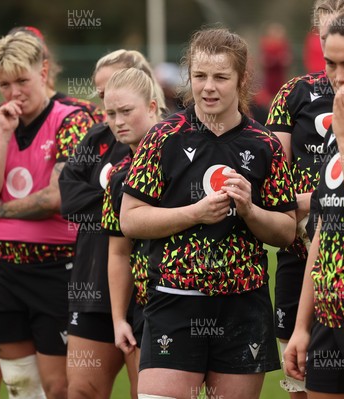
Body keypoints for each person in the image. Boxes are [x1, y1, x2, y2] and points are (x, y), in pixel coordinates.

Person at [119, 28, 297, 399]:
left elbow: (286, 232)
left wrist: (250, 210)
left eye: (220, 77)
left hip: (243, 307)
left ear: (242, 79)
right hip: (173, 300)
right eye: (199, 76)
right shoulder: (163, 137)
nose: (208, 88)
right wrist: (195, 213)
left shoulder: (263, 144)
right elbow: (131, 219)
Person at [0, 32, 93, 398]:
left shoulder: (73, 120)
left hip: (55, 267)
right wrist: (3, 135)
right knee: (19, 384)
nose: (14, 92)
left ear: (44, 71)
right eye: (4, 84)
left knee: (58, 387)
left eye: (22, 80)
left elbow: (56, 197)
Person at [265, 1, 344, 396]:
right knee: (300, 386)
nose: (337, 76)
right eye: (329, 57)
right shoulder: (305, 101)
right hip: (316, 287)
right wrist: (304, 324)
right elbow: (317, 223)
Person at [58, 51, 165, 399]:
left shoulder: (171, 143)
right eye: (103, 97)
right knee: (81, 391)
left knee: (145, 392)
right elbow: (69, 198)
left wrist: (129, 211)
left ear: (146, 97)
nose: (109, 105)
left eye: (118, 93)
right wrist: (123, 207)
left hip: (150, 290)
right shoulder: (97, 139)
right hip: (94, 284)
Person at [99, 67, 163, 395]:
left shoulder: (179, 155)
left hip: (193, 299)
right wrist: (118, 319)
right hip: (145, 305)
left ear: (152, 107)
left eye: (126, 111)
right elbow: (118, 251)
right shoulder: (119, 175)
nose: (118, 121)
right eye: (111, 113)